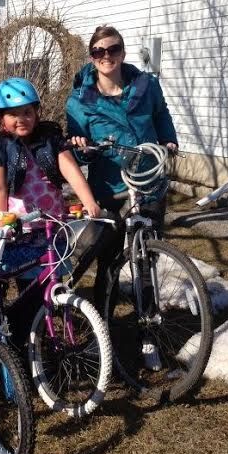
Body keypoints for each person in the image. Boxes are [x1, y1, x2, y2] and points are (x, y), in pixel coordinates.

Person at [65, 25, 179, 309]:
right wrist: (84, 150)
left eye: (113, 49)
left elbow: (161, 113)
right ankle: (103, 326)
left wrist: (168, 140)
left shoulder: (146, 85)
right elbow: (77, 154)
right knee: (110, 260)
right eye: (99, 51)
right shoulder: (80, 102)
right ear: (92, 57)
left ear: (123, 52)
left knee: (146, 256)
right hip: (110, 189)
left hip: (148, 185)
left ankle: (149, 326)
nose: (107, 56)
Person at [0, 77, 101, 350]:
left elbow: (70, 170)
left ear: (37, 111)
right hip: (18, 228)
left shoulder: (50, 137)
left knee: (51, 285)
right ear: (1, 117)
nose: (21, 118)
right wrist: (2, 226)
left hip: (52, 226)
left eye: (27, 112)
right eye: (13, 114)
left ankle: (40, 335)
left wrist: (89, 202)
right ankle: (18, 341)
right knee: (27, 290)